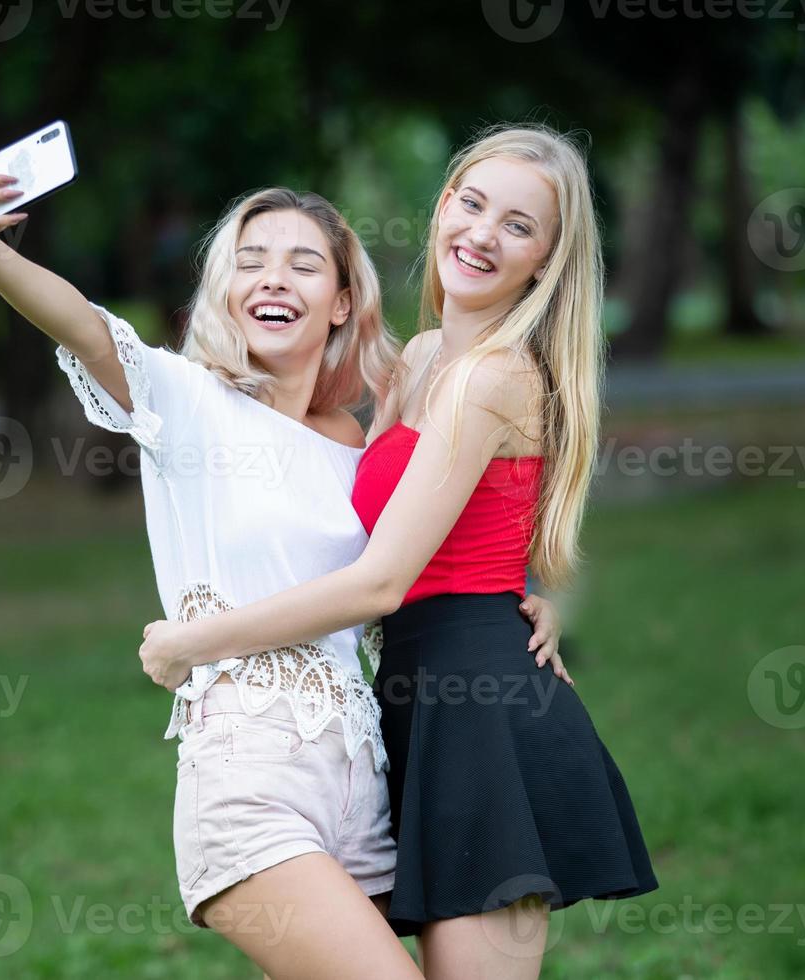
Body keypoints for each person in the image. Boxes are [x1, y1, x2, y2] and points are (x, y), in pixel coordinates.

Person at [0, 166, 559, 978]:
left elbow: (428, 543)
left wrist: (526, 600)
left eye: (303, 264)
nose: (272, 277)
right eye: (251, 259)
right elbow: (83, 326)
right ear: (227, 291)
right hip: (247, 777)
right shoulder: (183, 400)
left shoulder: (356, 444)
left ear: (340, 301)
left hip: (364, 786)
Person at [138, 125, 658, 979]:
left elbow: (382, 578)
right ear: (444, 203)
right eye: (473, 202)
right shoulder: (417, 363)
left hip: (482, 711)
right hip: (406, 709)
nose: (484, 234)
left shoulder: (495, 376)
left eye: (520, 226)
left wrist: (195, 641)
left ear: (548, 262)